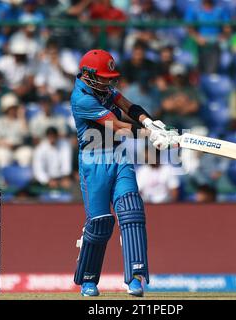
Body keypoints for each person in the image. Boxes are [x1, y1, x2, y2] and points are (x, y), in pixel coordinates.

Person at [71, 49, 178, 297]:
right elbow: (118, 126)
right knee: (100, 223)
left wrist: (152, 123)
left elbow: (129, 107)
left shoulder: (105, 89)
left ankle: (135, 278)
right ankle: (88, 279)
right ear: (88, 76)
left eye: (110, 77)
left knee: (132, 211)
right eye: (104, 77)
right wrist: (150, 135)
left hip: (119, 157)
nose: (109, 82)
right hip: (94, 162)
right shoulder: (82, 99)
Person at [0, 93, 32, 167]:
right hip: (2, 149)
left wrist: (22, 117)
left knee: (27, 153)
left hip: (17, 149)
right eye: (11, 108)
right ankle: (3, 178)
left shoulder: (20, 121)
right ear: (5, 109)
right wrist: (5, 144)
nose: (14, 110)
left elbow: (26, 135)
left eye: (15, 107)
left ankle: (23, 177)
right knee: (4, 156)